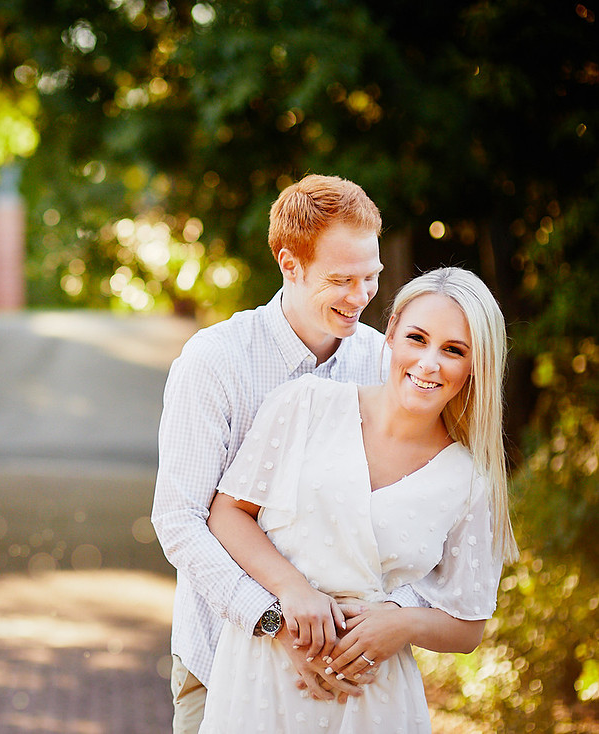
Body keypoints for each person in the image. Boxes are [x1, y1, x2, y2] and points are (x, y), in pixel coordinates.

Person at [152, 174, 426, 733]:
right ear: (289, 264)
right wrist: (278, 619)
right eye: (341, 279)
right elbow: (179, 521)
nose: (361, 295)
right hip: (220, 664)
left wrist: (385, 620)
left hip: (351, 674)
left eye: (370, 276)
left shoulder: (381, 363)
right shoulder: (214, 362)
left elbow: (416, 512)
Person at [199, 267, 519, 732]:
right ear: (389, 334)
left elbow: (468, 624)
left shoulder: (470, 481)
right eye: (417, 338)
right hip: (261, 676)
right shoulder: (305, 405)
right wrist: (292, 591)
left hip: (372, 697)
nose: (429, 363)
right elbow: (228, 513)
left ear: (475, 366)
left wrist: (402, 625)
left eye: (453, 350)